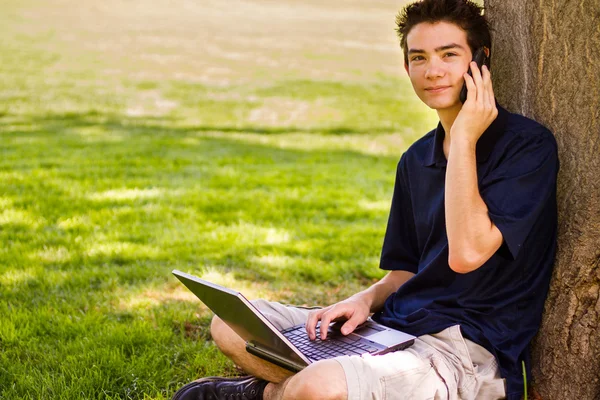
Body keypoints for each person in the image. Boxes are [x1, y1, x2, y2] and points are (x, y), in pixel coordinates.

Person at [172, 0, 559, 399]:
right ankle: (290, 390)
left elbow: (467, 253)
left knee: (318, 387)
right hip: (390, 332)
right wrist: (363, 300)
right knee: (231, 324)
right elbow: (405, 272)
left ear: (480, 61)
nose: (433, 70)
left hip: (463, 352)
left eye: (449, 55)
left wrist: (462, 137)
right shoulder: (416, 159)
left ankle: (269, 393)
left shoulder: (526, 148)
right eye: (419, 57)